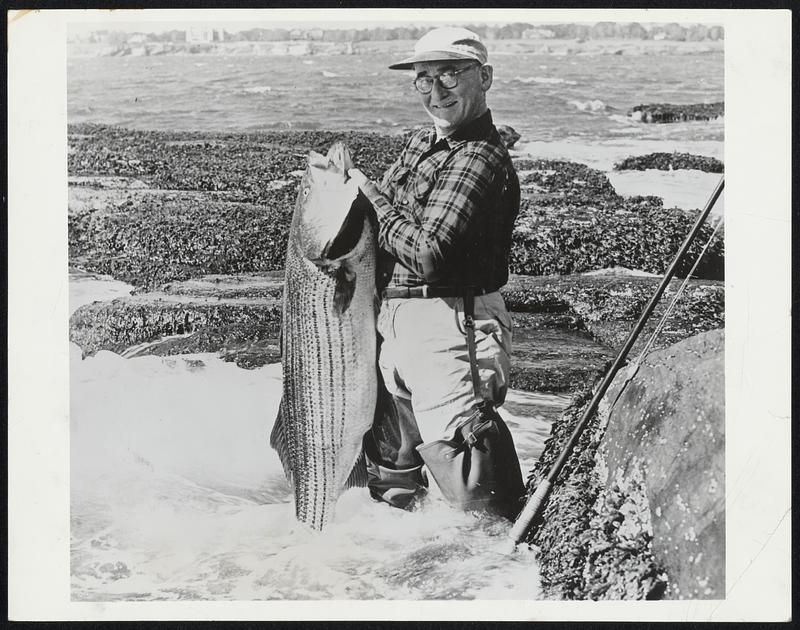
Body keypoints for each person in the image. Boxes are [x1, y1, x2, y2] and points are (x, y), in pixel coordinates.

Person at [347, 27, 524, 518]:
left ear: (484, 77)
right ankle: (406, 576)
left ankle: (502, 577)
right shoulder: (423, 144)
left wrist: (373, 199)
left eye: (449, 74)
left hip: (451, 323)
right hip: (394, 323)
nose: (435, 90)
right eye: (423, 79)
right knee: (392, 471)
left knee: (472, 484)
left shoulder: (479, 156)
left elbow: (429, 253)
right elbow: (383, 227)